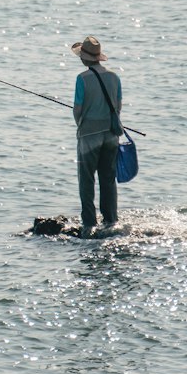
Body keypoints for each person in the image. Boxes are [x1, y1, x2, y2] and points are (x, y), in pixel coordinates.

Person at [71, 35, 122, 237]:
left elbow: (77, 109)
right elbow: (118, 107)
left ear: (84, 58)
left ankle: (89, 223)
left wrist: (81, 126)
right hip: (111, 134)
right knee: (108, 178)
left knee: (86, 180)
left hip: (89, 134)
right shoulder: (114, 77)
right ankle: (111, 220)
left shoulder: (82, 79)